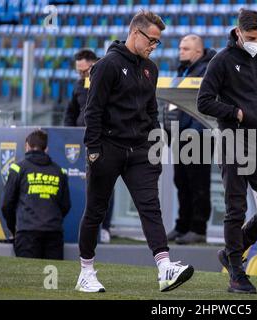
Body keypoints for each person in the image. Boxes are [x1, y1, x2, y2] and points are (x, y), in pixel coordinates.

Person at [76, 10, 194, 293]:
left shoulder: (150, 69)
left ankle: (165, 267)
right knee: (95, 211)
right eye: (152, 40)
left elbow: (151, 110)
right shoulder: (106, 65)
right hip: (107, 147)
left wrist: (155, 143)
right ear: (135, 33)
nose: (154, 46)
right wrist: (93, 150)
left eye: (158, 43)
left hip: (140, 150)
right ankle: (86, 272)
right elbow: (93, 111)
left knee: (150, 207)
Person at [197, 9, 257, 294]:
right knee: (235, 209)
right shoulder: (221, 61)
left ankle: (232, 250)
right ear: (238, 33)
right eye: (251, 37)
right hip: (234, 141)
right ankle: (236, 271)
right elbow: (204, 101)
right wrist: (235, 113)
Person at [166, 35, 216, 245]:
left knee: (198, 183)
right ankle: (182, 225)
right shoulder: (183, 69)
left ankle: (198, 228)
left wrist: (195, 132)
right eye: (180, 48)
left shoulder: (208, 70)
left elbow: (207, 105)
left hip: (199, 135)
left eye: (185, 49)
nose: (181, 52)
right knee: (181, 182)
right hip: (180, 134)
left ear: (198, 52)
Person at [64, 48, 113, 244]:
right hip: (79, 140)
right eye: (79, 71)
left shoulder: (108, 81)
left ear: (94, 64)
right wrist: (68, 132)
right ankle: (83, 224)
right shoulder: (78, 86)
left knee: (105, 184)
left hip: (102, 141)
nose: (82, 75)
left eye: (85, 71)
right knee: (84, 185)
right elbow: (70, 112)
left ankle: (105, 227)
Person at [1, 129, 71, 260]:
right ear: (46, 149)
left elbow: (7, 204)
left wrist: (14, 227)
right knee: (51, 280)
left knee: (27, 278)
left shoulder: (18, 168)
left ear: (27, 146)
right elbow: (66, 205)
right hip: (54, 234)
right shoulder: (59, 171)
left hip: (26, 233)